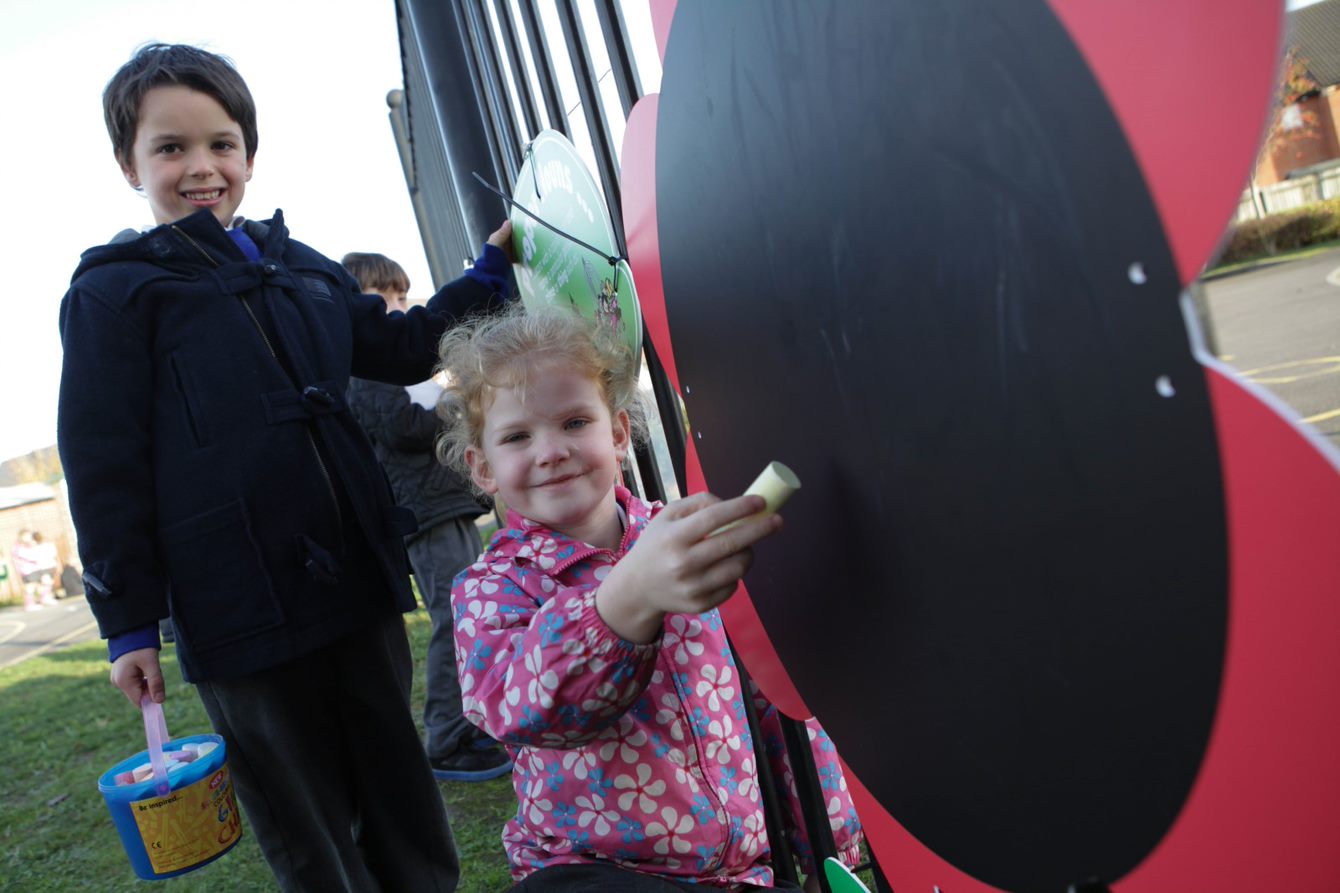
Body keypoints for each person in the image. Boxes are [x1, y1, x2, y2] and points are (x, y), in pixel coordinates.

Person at [56, 43, 513, 893]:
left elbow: (403, 343)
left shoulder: (303, 268)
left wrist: (493, 270)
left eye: (222, 144)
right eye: (171, 148)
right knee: (307, 829)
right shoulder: (114, 294)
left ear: (250, 154)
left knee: (401, 794)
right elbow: (102, 463)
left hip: (357, 579)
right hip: (238, 613)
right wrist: (128, 624)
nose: (202, 167)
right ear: (130, 164)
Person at [437, 307, 863, 891]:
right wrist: (626, 598)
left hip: (738, 874)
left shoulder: (686, 540)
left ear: (616, 433)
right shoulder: (492, 587)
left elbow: (777, 703)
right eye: (517, 436)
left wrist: (826, 849)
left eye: (573, 422)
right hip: (589, 872)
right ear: (483, 468)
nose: (551, 450)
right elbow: (520, 711)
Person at [342, 251, 512, 782]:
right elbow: (402, 428)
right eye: (385, 298)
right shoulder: (364, 366)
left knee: (466, 615)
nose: (397, 307)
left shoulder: (393, 370)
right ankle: (448, 735)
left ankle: (467, 724)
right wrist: (454, 398)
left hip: (441, 505)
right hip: (426, 512)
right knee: (455, 619)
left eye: (400, 296)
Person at [12, 529, 54, 611]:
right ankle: (29, 604)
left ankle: (45, 597)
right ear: (22, 537)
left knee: (46, 580)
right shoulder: (18, 547)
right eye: (26, 536)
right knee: (30, 587)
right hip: (27, 570)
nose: (29, 538)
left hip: (35, 568)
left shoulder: (29, 544)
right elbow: (30, 556)